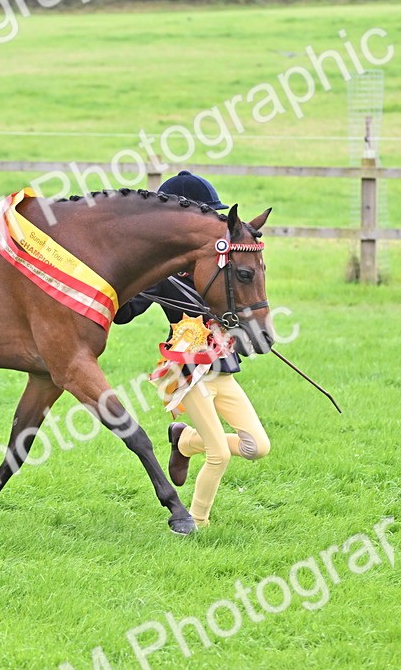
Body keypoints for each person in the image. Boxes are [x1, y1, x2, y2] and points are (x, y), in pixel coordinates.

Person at [113, 171, 270, 530]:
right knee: (218, 455)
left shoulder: (221, 265)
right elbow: (124, 312)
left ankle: (183, 441)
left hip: (221, 367)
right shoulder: (161, 271)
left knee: (257, 446)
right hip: (184, 372)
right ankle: (195, 525)